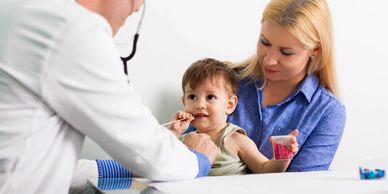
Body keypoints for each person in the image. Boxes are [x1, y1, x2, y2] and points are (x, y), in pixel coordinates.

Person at [0, 0, 217, 193]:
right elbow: (154, 157)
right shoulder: (73, 30)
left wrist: (119, 169)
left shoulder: (18, 11)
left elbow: (36, 160)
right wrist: (199, 158)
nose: (138, 6)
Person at [226, 0, 346, 171]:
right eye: (265, 42)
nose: (269, 60)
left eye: (286, 52)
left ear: (315, 50)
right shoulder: (224, 80)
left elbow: (301, 185)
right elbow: (188, 154)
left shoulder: (328, 111)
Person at [168, 58, 299, 176]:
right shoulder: (185, 140)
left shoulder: (235, 139)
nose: (200, 104)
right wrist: (174, 132)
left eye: (210, 97)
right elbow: (162, 164)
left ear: (230, 105)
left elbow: (265, 169)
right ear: (184, 102)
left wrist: (283, 154)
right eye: (192, 97)